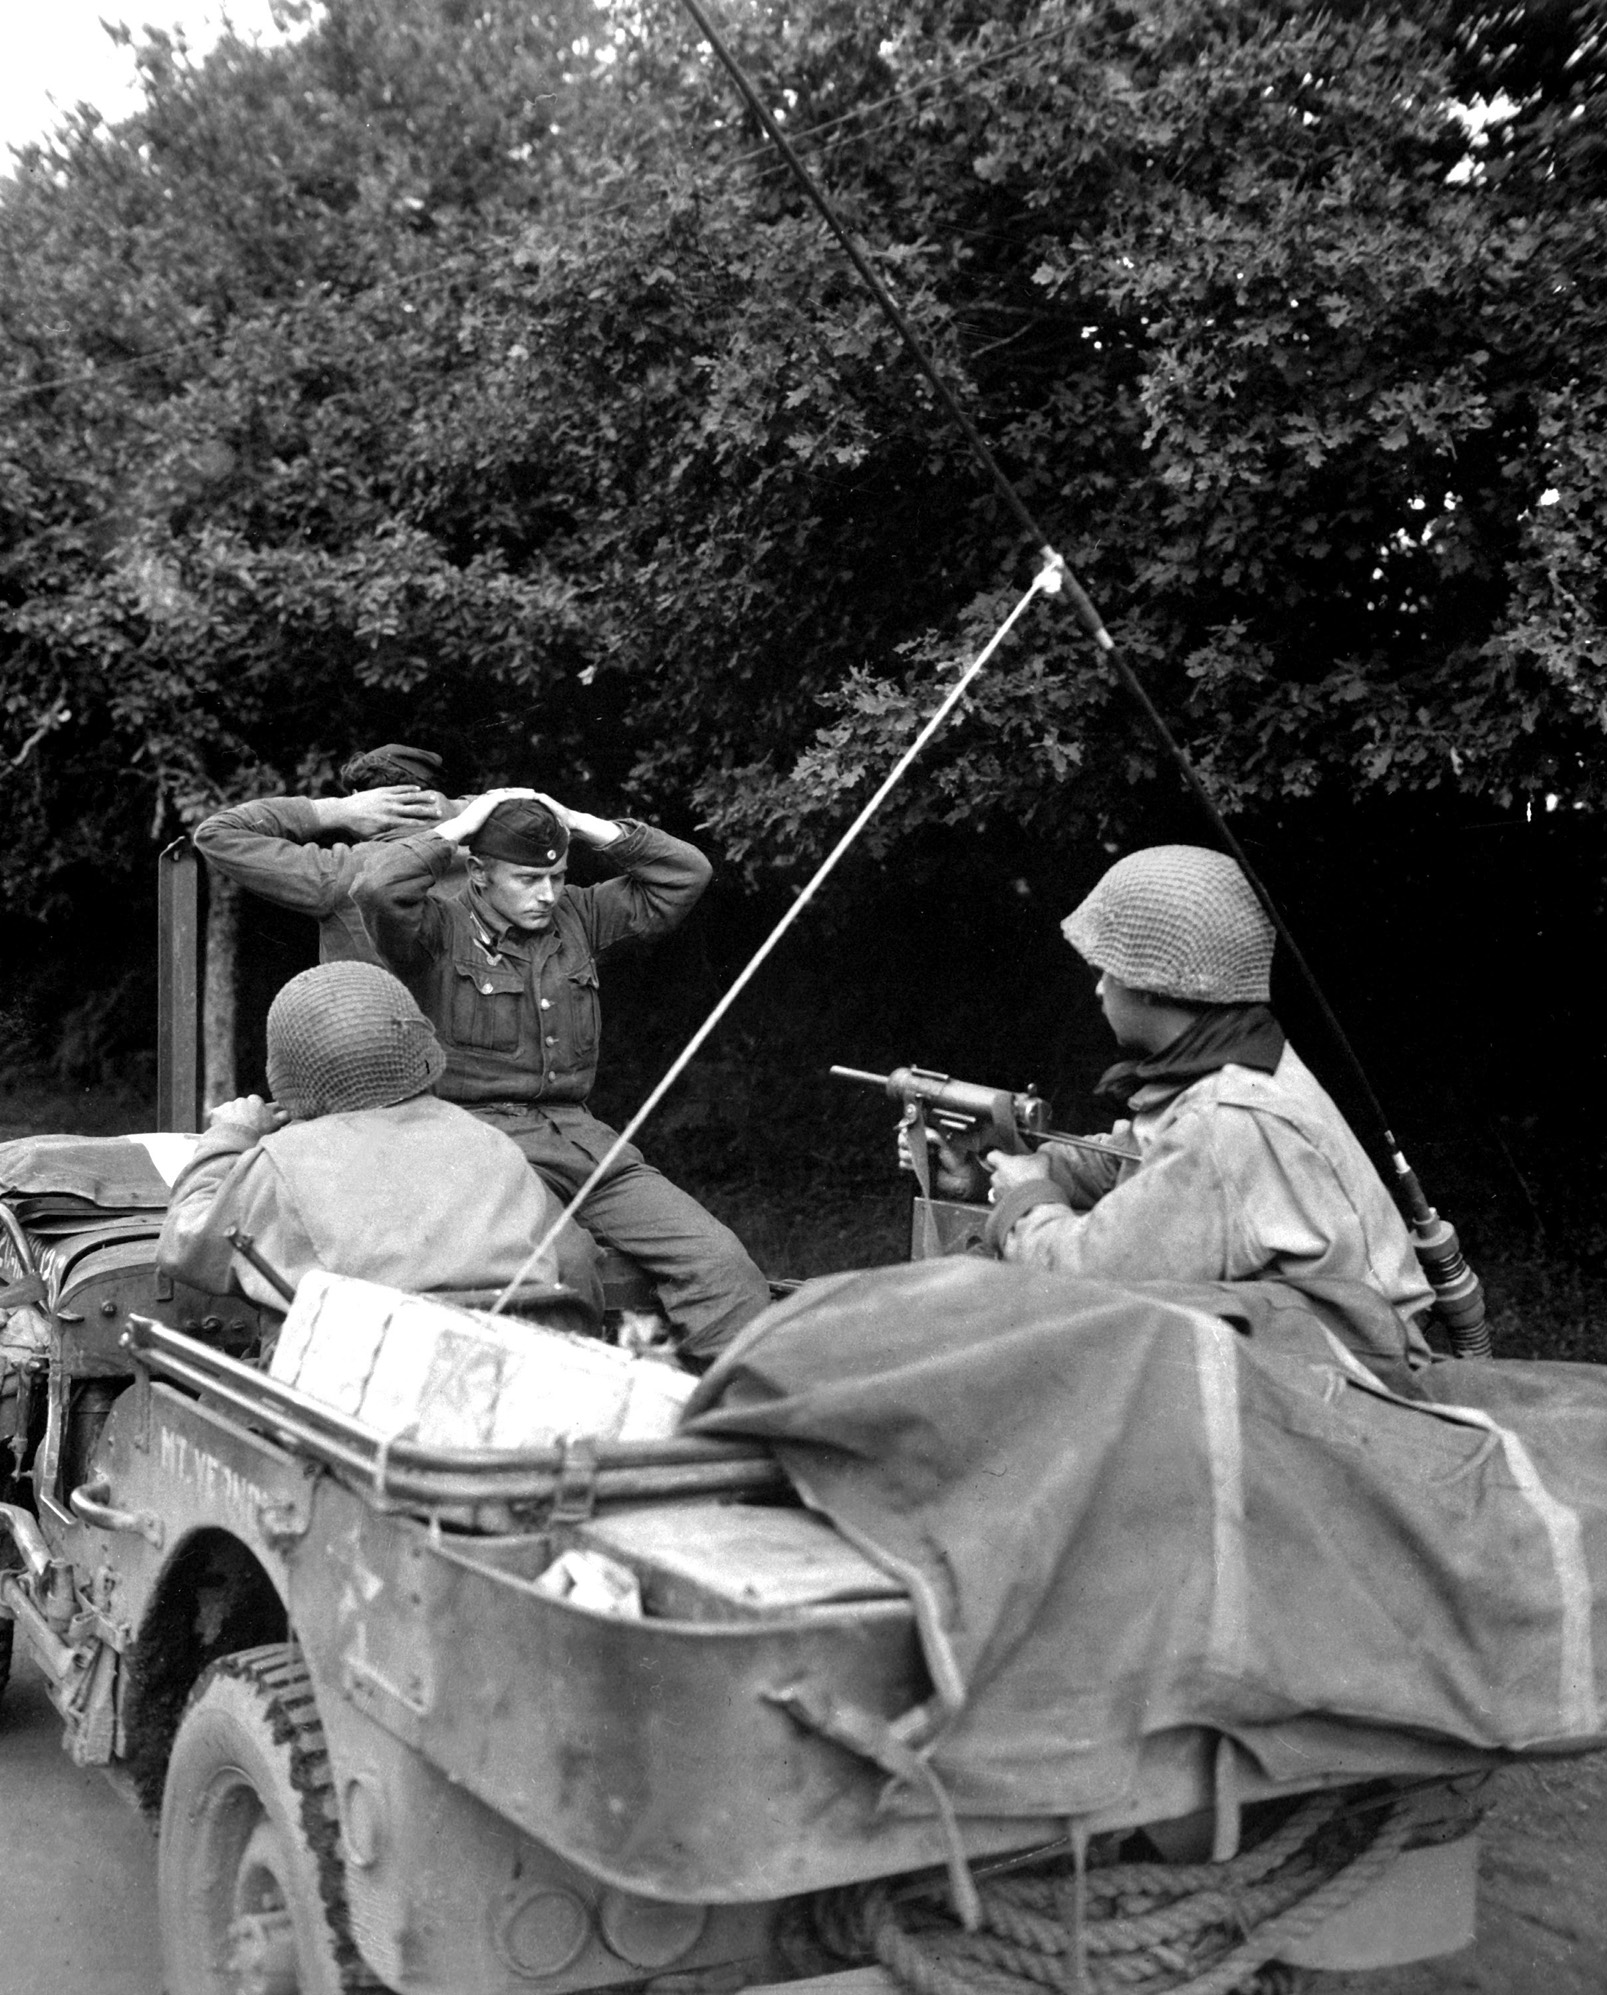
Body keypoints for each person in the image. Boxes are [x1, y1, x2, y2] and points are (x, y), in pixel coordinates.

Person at [908, 844, 1435, 1349]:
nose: (1098, 990)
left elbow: (1089, 1282)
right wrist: (996, 1169)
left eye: (1105, 972)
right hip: (1322, 1349)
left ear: (1152, 983)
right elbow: (1140, 1166)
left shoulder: (1224, 1119)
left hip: (1348, 1379)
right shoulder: (1238, 1065)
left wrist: (1026, 1202)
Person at [350, 787, 771, 1363]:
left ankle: (726, 1422)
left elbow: (685, 873)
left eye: (557, 876)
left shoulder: (578, 916)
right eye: (527, 879)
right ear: (477, 872)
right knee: (566, 1271)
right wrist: (463, 823)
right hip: (480, 1146)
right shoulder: (436, 930)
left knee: (721, 1264)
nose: (547, 894)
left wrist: (575, 819)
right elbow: (376, 886)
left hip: (580, 1141)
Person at [157, 961, 604, 1321]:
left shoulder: (283, 1160)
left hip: (347, 1399)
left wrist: (230, 1135)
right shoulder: (492, 1142)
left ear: (292, 1074)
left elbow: (185, 1246)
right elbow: (576, 1262)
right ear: (420, 1051)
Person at [192, 743, 460, 964]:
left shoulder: (343, 871)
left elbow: (215, 833)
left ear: (360, 799)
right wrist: (461, 810)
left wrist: (337, 810)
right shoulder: (485, 862)